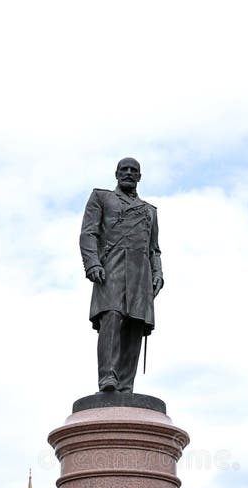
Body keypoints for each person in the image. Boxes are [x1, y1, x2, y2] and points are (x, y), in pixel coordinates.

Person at [80, 158, 163, 393]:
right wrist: (92, 263)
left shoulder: (150, 211)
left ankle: (126, 386)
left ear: (139, 176)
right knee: (112, 317)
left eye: (133, 171)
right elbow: (89, 234)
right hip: (112, 268)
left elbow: (154, 248)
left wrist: (158, 273)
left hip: (141, 274)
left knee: (135, 325)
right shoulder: (101, 198)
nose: (128, 173)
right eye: (124, 170)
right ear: (116, 174)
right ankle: (108, 377)